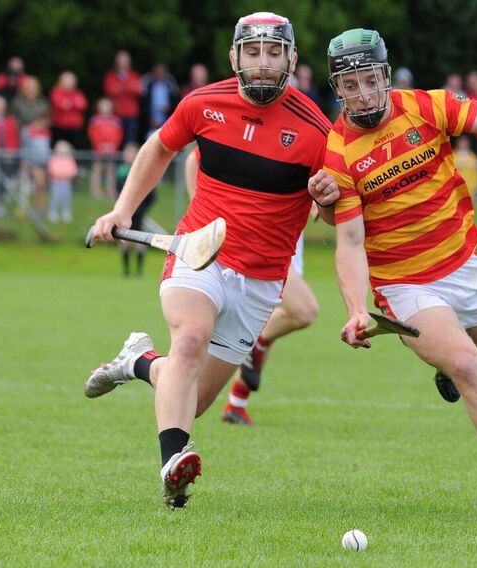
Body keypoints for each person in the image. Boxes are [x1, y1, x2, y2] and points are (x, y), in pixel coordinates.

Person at [84, 12, 334, 509]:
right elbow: (159, 149)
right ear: (234, 57)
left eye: (274, 52)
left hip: (262, 280)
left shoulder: (316, 130)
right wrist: (122, 209)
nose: (263, 64)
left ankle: (137, 361)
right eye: (253, 52)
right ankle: (173, 469)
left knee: (189, 400)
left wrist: (326, 198)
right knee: (191, 340)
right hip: (198, 256)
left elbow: (329, 214)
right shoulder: (203, 104)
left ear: (291, 59)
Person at [321, 28, 477, 519]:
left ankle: (445, 361)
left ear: (385, 75)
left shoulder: (425, 105)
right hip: (404, 284)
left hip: (463, 265)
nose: (362, 94)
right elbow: (349, 242)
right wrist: (355, 309)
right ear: (337, 88)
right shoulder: (338, 152)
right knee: (471, 368)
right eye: (349, 85)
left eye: (369, 80)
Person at [182, 147, 320, 425]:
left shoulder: (309, 129)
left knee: (262, 322)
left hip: (285, 241)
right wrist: (200, 209)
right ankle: (140, 362)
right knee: (304, 311)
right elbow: (192, 160)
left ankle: (236, 404)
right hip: (251, 247)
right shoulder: (249, 123)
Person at [116, 143, 155, 276]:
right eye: (127, 153)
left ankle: (139, 271)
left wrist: (143, 208)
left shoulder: (143, 171)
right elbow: (118, 191)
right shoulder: (122, 171)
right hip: (125, 213)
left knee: (139, 241)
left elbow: (151, 194)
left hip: (138, 213)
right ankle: (126, 271)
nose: (129, 156)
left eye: (132, 153)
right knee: (124, 241)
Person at [103, 50, 143, 146]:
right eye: (121, 60)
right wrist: (128, 87)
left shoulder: (134, 75)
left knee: (130, 141)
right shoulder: (111, 75)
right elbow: (109, 90)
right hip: (116, 113)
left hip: (131, 114)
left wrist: (121, 87)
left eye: (125, 60)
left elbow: (138, 90)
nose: (123, 63)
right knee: (116, 141)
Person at [87, 98, 123, 199]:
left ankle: (110, 189)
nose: (106, 107)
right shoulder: (95, 120)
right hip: (98, 148)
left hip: (112, 149)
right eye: (103, 105)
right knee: (97, 168)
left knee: (111, 169)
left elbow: (118, 134)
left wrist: (113, 145)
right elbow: (92, 134)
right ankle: (95, 190)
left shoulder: (116, 121)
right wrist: (100, 145)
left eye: (108, 105)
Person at [49, 71, 88, 146]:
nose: (69, 83)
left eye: (71, 81)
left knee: (73, 148)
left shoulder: (78, 93)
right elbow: (60, 105)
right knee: (58, 146)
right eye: (67, 80)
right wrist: (74, 104)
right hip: (59, 126)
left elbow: (83, 105)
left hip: (74, 127)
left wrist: (69, 103)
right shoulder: (56, 92)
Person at [46, 140, 77, 223]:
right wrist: (58, 175)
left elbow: (73, 171)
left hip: (66, 183)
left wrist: (66, 176)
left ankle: (65, 212)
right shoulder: (54, 159)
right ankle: (53, 212)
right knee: (55, 198)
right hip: (55, 182)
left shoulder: (70, 159)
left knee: (66, 198)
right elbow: (51, 169)